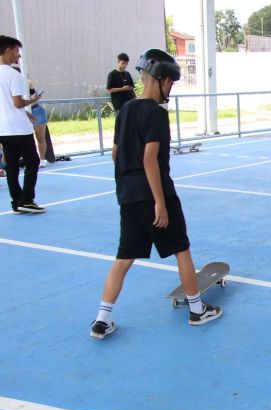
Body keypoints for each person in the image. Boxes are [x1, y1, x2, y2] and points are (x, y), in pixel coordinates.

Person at [90, 49, 222, 339]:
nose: (170, 89)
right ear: (161, 80)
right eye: (171, 83)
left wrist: (131, 185)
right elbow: (150, 159)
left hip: (128, 195)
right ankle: (198, 310)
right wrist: (159, 202)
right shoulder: (156, 114)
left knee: (123, 258)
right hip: (155, 194)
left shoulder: (124, 111)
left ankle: (102, 319)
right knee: (181, 249)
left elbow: (115, 153)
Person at [0, 35, 44, 214]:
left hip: (3, 128)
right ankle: (27, 199)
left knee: (11, 165)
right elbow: (17, 102)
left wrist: (24, 112)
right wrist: (32, 100)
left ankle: (16, 201)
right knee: (32, 161)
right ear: (9, 50)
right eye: (17, 51)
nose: (18, 56)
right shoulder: (13, 75)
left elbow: (6, 103)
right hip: (18, 129)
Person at [29, 84, 49, 167]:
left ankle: (42, 159)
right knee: (26, 139)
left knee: (40, 137)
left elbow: (34, 99)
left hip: (36, 111)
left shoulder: (28, 83)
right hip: (22, 112)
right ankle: (29, 159)